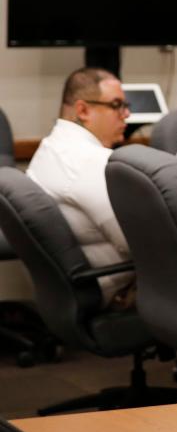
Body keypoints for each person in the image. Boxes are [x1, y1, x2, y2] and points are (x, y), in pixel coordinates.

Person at [27, 68, 135, 309]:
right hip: (116, 291)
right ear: (83, 110)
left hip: (72, 289)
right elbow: (136, 241)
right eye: (117, 105)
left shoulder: (50, 148)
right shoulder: (91, 162)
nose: (126, 114)